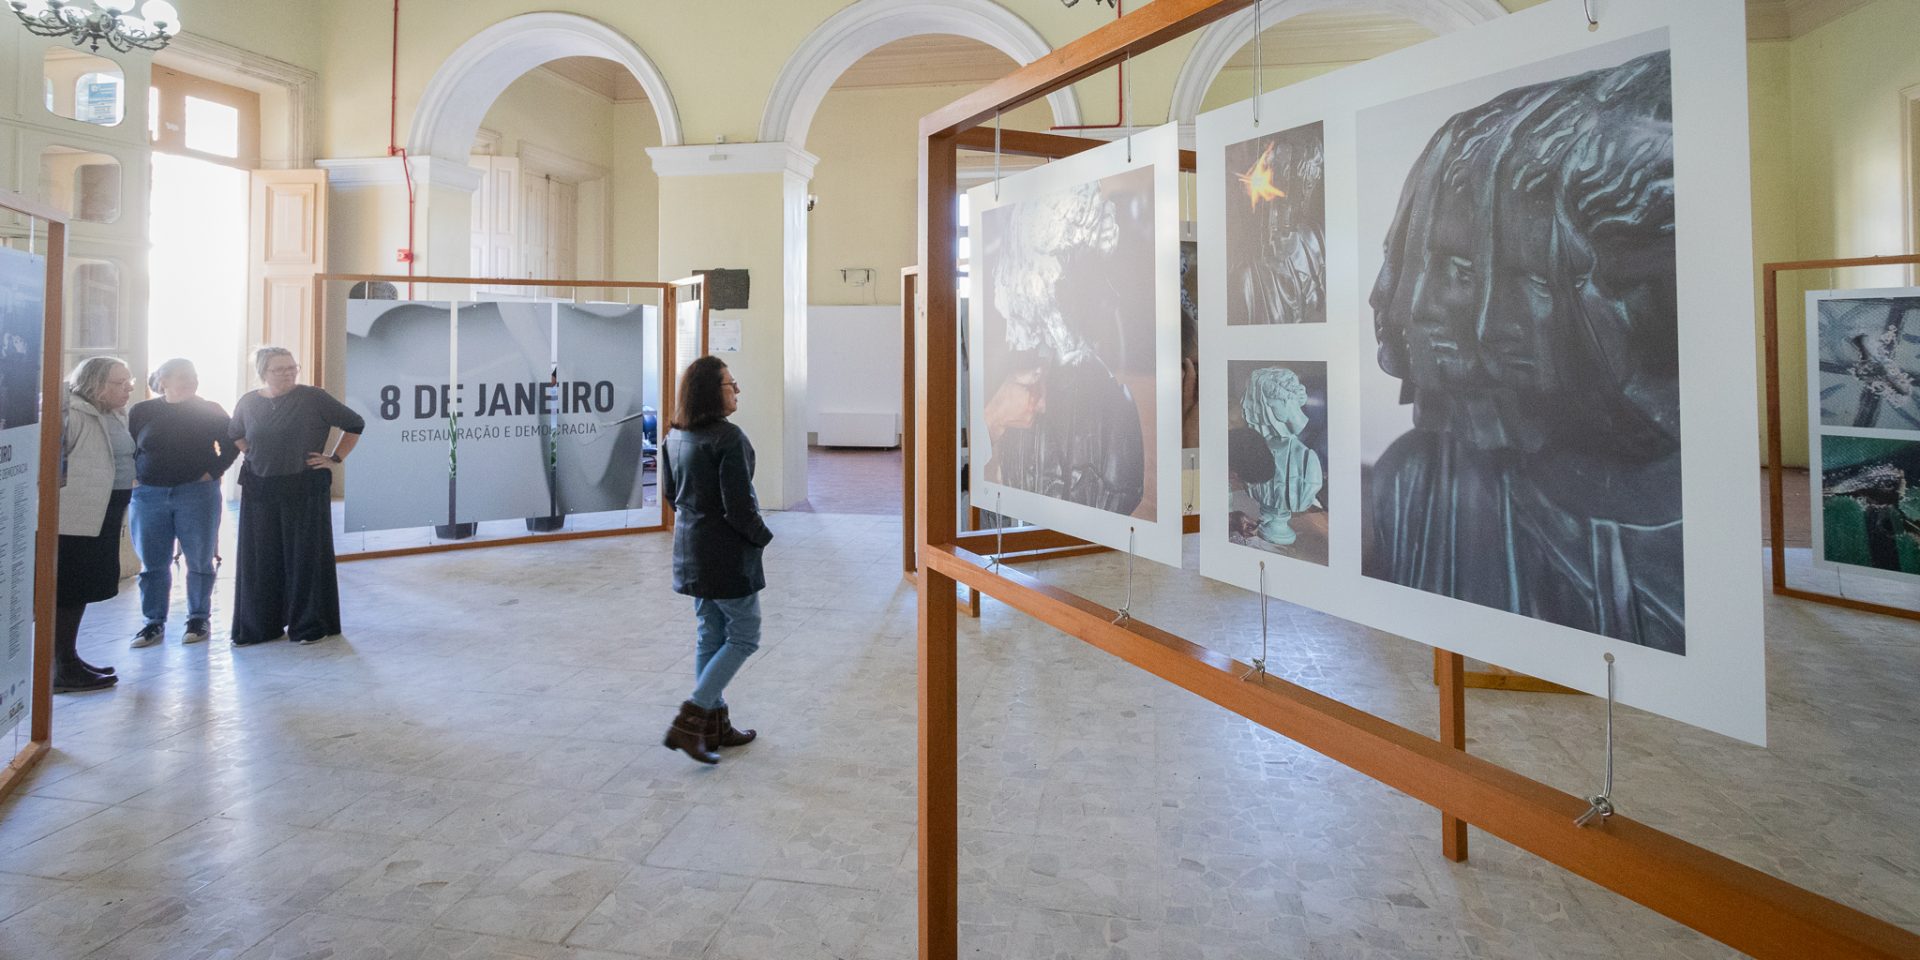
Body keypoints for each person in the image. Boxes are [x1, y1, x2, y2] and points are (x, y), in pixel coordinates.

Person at [659, 356, 771, 764]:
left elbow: (673, 497)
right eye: (729, 383)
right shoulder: (728, 438)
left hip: (692, 552)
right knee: (744, 635)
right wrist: (763, 537)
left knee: (711, 632)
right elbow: (739, 509)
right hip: (725, 557)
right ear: (711, 391)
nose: (737, 390)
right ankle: (691, 719)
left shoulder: (675, 436)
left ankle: (714, 724)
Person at [227, 347, 363, 646]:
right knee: (261, 558)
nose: (288, 372)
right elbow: (235, 433)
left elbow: (355, 424)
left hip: (304, 487)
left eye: (292, 367)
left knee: (304, 558)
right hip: (260, 488)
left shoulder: (313, 397)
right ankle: (261, 626)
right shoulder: (248, 402)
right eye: (280, 369)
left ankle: (308, 624)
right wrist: (252, 453)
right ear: (263, 372)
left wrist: (334, 458)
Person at [127, 359, 239, 647]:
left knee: (200, 560)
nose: (191, 380)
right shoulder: (142, 411)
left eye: (194, 375)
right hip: (149, 494)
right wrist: (133, 478)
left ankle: (198, 618)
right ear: (163, 381)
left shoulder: (210, 409)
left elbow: (232, 444)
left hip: (196, 493)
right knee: (153, 563)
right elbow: (128, 447)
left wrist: (211, 473)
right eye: (182, 376)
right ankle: (153, 623)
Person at [53, 356, 136, 693]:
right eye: (119, 383)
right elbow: (53, 464)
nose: (127, 388)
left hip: (105, 511)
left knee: (85, 588)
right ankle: (61, 666)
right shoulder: (72, 413)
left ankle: (68, 657)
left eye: (128, 381)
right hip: (75, 518)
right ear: (95, 383)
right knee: (71, 588)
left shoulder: (112, 412)